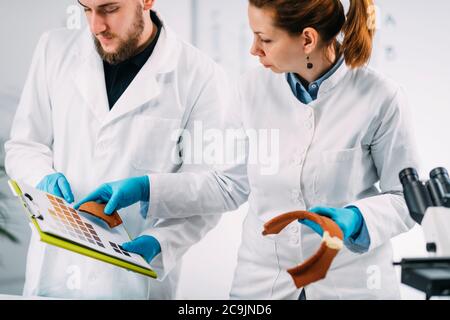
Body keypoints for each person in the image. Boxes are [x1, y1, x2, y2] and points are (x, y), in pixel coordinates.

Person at [78, 0, 421, 299]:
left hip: (351, 284)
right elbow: (230, 184)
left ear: (307, 39)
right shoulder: (251, 89)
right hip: (263, 285)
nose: (254, 50)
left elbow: (406, 198)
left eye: (265, 39)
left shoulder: (381, 98)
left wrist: (358, 219)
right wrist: (145, 188)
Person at [4, 0, 239, 299]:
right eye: (86, 9)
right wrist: (41, 177)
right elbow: (24, 144)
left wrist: (161, 241)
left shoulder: (201, 76)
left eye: (109, 8)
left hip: (132, 280)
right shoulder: (54, 49)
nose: (95, 26)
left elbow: (209, 188)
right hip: (55, 271)